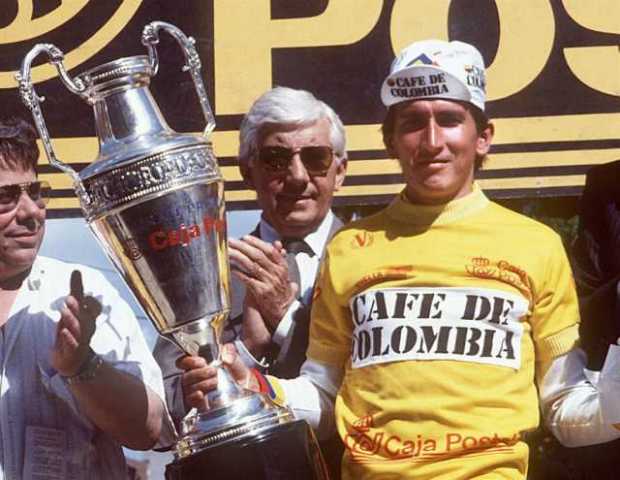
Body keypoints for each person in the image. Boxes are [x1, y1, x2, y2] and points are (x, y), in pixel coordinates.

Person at [188, 40, 620, 479]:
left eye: (450, 119)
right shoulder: (350, 247)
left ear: (483, 137)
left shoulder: (537, 244)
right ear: (390, 141)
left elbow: (566, 411)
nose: (432, 141)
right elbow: (323, 397)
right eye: (413, 123)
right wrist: (254, 386)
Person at [153, 87, 347, 473]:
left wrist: (286, 319)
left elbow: (373, 389)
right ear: (247, 171)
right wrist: (244, 348)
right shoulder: (203, 270)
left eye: (315, 158)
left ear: (339, 172)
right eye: (276, 159)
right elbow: (161, 417)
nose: (297, 176)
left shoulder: (369, 261)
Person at [0, 117, 172, 479]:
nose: (31, 212)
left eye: (35, 192)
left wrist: (81, 367)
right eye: (6, 197)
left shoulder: (80, 291)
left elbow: (149, 428)